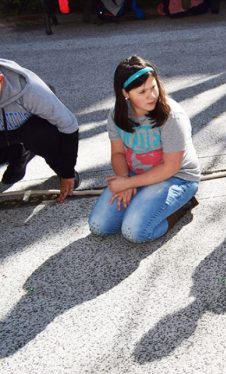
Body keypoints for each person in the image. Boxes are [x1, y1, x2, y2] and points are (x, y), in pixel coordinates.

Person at [88, 56, 200, 243]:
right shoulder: (116, 114)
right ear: (125, 93)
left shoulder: (172, 116)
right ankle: (142, 204)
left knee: (134, 232)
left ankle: (183, 206)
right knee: (99, 226)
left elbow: (171, 167)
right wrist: (124, 178)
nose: (152, 95)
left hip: (176, 177)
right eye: (142, 92)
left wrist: (128, 184)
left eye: (153, 87)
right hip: (136, 174)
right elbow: (118, 153)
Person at [0, 58, 79, 202]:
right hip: (4, 135)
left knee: (42, 135)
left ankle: (52, 163)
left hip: (31, 129)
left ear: (0, 80)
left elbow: (69, 126)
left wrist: (67, 173)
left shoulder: (29, 89)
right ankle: (17, 154)